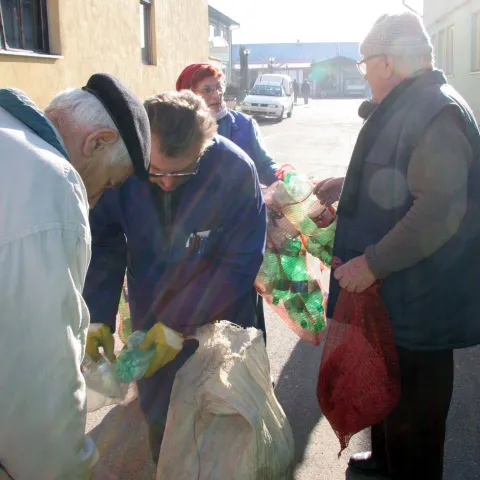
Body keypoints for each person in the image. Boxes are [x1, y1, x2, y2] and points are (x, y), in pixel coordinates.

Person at [315, 12, 480, 480]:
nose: (362, 71)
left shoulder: (434, 111)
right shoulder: (411, 102)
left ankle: (404, 466)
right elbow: (400, 177)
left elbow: (438, 210)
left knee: (416, 423)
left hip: (422, 307)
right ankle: (385, 459)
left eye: (365, 61)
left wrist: (373, 262)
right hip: (399, 301)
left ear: (388, 62)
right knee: (389, 393)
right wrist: (346, 185)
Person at [83, 91, 267, 464]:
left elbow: (241, 261)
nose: (166, 182)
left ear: (205, 146)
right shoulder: (127, 166)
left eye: (181, 172)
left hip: (221, 318)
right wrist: (97, 316)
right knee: (161, 420)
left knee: (221, 424)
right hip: (150, 316)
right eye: (156, 172)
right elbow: (105, 243)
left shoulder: (233, 169)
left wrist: (178, 322)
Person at [0, 74, 150, 479]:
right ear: (97, 141)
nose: (97, 198)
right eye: (108, 181)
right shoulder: (51, 181)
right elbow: (36, 384)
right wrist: (74, 470)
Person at [176, 63, 279, 341]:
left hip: (240, 235)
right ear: (189, 95)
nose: (217, 94)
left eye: (219, 87)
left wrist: (277, 182)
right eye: (207, 89)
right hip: (195, 242)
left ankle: (251, 369)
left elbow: (267, 167)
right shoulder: (179, 131)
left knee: (242, 306)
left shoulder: (243, 125)